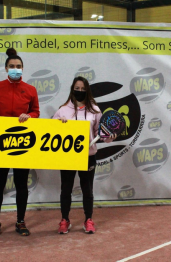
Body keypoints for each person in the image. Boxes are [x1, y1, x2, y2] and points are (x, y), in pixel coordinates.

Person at [0, 48, 40, 237]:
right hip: (1, 143)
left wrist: (28, 115)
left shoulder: (30, 90)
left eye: (19, 67)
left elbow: (36, 112)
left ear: (23, 69)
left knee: (21, 184)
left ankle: (20, 222)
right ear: (6, 68)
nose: (16, 69)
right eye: (12, 66)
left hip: (22, 143)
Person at [53, 76, 115, 234]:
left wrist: (109, 137)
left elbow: (100, 133)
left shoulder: (94, 110)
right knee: (65, 189)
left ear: (87, 90)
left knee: (87, 190)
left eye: (83, 89)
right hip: (68, 157)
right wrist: (58, 125)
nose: (79, 91)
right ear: (72, 89)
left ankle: (88, 219)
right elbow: (52, 132)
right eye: (77, 88)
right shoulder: (62, 110)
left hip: (88, 156)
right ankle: (65, 220)